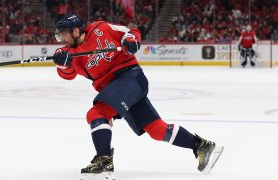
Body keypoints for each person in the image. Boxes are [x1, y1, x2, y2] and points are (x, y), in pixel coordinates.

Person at [52, 14, 223, 179]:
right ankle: (202, 146)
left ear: (76, 31)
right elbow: (68, 73)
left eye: (63, 35)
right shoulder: (68, 53)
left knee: (97, 114)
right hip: (117, 90)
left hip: (131, 78)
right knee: (157, 130)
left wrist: (131, 41)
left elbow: (130, 32)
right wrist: (63, 63)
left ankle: (103, 160)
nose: (61, 40)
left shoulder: (100, 28)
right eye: (59, 37)